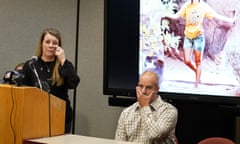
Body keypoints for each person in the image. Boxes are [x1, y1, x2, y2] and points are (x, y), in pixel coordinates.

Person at [22, 28, 80, 133]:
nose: (51, 45)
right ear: (41, 44)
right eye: (47, 42)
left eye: (55, 43)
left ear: (59, 46)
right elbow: (23, 90)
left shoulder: (64, 64)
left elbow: (74, 83)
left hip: (61, 116)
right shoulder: (31, 65)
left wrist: (63, 60)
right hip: (37, 116)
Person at [165, 0, 235, 87]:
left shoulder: (204, 6)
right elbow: (176, 16)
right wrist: (164, 13)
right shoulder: (187, 5)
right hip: (188, 37)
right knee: (187, 61)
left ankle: (196, 84)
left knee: (198, 62)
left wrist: (231, 19)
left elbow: (216, 16)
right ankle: (196, 72)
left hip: (199, 38)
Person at [115, 70, 178, 144]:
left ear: (157, 89)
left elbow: (155, 135)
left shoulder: (169, 110)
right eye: (141, 86)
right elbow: (119, 141)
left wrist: (145, 106)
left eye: (148, 88)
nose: (143, 91)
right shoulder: (126, 113)